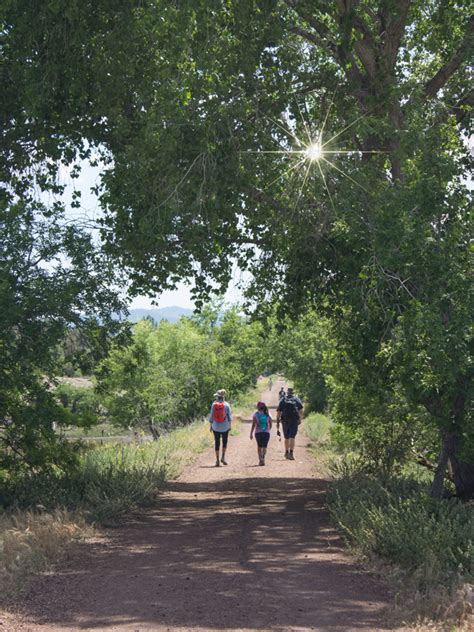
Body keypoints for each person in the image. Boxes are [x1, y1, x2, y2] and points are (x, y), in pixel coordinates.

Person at [276, 387, 303, 460]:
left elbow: (278, 412)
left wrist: (278, 422)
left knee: (286, 437)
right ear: (293, 392)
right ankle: (291, 453)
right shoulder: (297, 399)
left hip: (285, 421)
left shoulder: (283, 400)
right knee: (292, 437)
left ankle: (286, 452)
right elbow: (301, 411)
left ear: (287, 392)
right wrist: (300, 419)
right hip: (294, 421)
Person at [208, 389, 232, 467]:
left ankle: (217, 460)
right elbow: (229, 417)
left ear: (218, 397)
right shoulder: (227, 405)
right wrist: (229, 426)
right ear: (224, 397)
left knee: (217, 442)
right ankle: (223, 457)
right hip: (225, 426)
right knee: (225, 442)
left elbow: (211, 416)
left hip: (216, 426)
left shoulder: (214, 404)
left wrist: (211, 425)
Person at [250, 401, 272, 466]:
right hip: (266, 433)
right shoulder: (268, 414)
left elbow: (253, 425)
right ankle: (263, 458)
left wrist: (251, 433)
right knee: (265, 446)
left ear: (258, 407)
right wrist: (267, 429)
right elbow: (270, 424)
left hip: (258, 433)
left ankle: (260, 460)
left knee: (259, 446)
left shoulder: (256, 414)